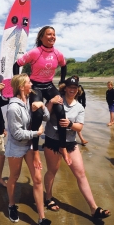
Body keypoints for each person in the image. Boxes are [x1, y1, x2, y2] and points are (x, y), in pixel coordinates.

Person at [43, 76, 111, 219]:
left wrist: (69, 124)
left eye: (75, 88)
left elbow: (79, 126)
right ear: (65, 88)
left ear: (77, 89)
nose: (72, 90)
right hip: (52, 141)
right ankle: (48, 198)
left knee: (80, 173)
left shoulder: (79, 107)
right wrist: (50, 102)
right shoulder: (57, 99)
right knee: (52, 171)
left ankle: (94, 208)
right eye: (70, 87)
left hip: (70, 143)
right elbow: (45, 117)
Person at [13, 26, 71, 168]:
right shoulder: (35, 52)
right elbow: (17, 64)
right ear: (41, 37)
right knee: (37, 114)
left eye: (54, 34)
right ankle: (35, 149)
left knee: (61, 112)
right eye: (49, 34)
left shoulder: (58, 54)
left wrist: (62, 81)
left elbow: (64, 65)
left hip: (50, 85)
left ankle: (63, 146)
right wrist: (18, 82)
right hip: (36, 86)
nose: (52, 37)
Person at [6, 73, 51, 225]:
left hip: (30, 145)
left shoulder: (31, 99)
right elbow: (17, 133)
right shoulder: (13, 108)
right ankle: (11, 205)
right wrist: (36, 133)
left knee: (37, 179)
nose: (32, 84)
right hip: (17, 147)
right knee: (14, 177)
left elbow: (46, 118)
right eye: (29, 82)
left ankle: (41, 217)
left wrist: (42, 105)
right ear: (21, 86)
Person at [73, 75, 88, 145]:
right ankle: (81, 139)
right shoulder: (69, 88)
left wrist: (83, 106)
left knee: (77, 123)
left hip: (78, 107)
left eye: (76, 80)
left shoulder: (80, 88)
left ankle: (81, 139)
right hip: (71, 106)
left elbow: (83, 97)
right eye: (73, 80)